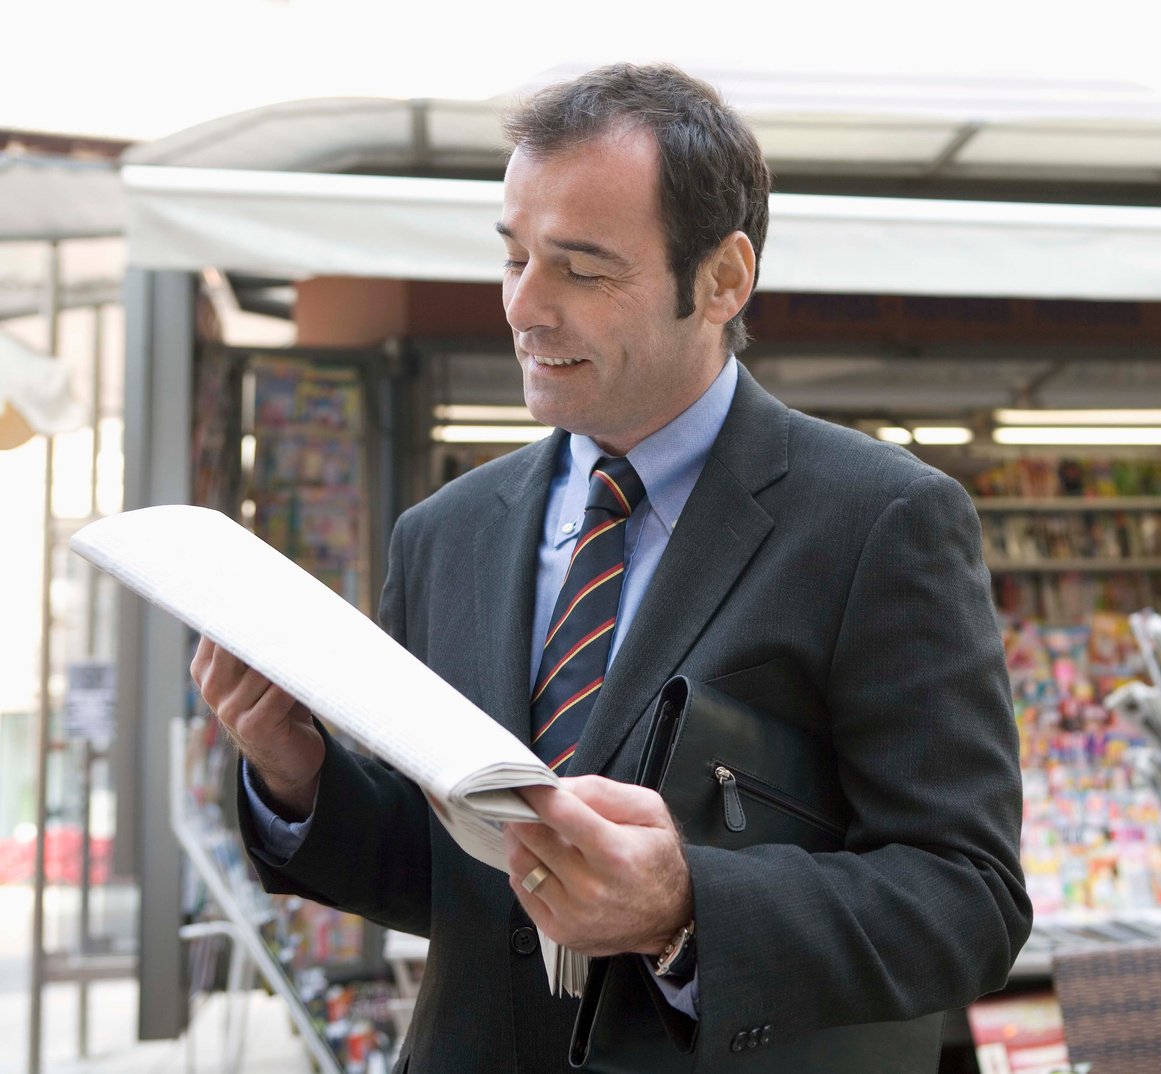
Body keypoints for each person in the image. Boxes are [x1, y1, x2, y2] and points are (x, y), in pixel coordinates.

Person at [191, 62, 1030, 1072]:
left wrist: (685, 908)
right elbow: (446, 881)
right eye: (513, 258)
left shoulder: (881, 520)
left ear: (722, 280)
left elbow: (970, 901)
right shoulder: (444, 533)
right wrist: (297, 774)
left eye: (583, 268)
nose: (525, 308)